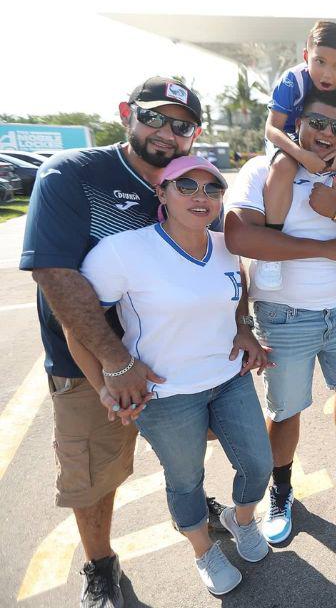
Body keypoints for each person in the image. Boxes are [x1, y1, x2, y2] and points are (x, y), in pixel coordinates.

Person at [20, 77, 227, 607]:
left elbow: (220, 261)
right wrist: (115, 361)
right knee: (94, 475)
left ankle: (194, 508)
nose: (166, 132)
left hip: (173, 359)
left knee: (184, 453)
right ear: (125, 113)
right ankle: (100, 564)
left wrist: (240, 326)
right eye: (154, 117)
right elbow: (54, 273)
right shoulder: (71, 174)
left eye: (181, 125)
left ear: (193, 135)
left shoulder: (191, 183)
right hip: (91, 363)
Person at [75, 157, 273, 595]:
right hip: (166, 394)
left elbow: (235, 298)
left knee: (258, 464)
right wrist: (104, 385)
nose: (201, 197)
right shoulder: (123, 250)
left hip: (229, 377)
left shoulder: (225, 246)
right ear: (161, 194)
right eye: (186, 186)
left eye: (212, 189)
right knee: (186, 480)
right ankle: (203, 551)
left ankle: (240, 522)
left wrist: (244, 329)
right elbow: (78, 322)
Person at [224, 87, 336, 544]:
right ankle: (280, 490)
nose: (326, 134)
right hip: (283, 315)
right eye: (317, 123)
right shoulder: (263, 168)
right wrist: (327, 248)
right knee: (285, 411)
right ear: (296, 125)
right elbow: (241, 238)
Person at [255, 20, 336, 291]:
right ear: (305, 56)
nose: (327, 73)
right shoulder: (292, 81)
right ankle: (270, 255)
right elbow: (272, 128)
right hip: (290, 141)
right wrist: (301, 155)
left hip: (330, 143)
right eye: (319, 61)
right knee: (285, 168)